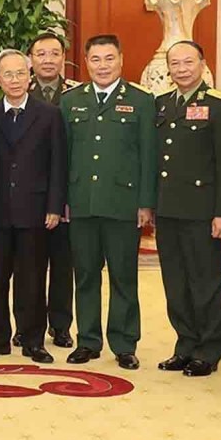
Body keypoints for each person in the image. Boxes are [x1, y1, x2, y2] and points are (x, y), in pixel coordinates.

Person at [60, 34, 156, 370]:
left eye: (109, 58)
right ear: (87, 63)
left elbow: (148, 154)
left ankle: (124, 343)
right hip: (81, 202)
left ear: (121, 59)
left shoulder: (141, 100)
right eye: (96, 59)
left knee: (123, 276)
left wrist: (145, 203)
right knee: (85, 275)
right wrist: (62, 200)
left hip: (122, 203)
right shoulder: (71, 101)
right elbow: (63, 157)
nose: (103, 65)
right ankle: (88, 340)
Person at [0, 49, 65, 364]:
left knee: (32, 279)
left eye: (20, 74)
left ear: (30, 77)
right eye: (7, 74)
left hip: (36, 210)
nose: (14, 80)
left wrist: (55, 206)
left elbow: (58, 164)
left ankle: (33, 340)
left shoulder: (49, 114)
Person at [154, 40, 221, 378]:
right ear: (168, 69)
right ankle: (185, 344)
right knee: (176, 282)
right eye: (175, 63)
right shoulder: (161, 104)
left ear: (202, 64)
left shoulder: (219, 105)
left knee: (206, 281)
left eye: (189, 62)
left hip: (203, 211)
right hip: (168, 209)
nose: (182, 69)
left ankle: (209, 348)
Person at [25, 32, 77, 348]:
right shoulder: (16, 91)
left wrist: (66, 197)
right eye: (41, 54)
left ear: (63, 58)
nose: (47, 59)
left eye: (54, 53)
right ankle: (27, 325)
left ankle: (60, 325)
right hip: (27, 197)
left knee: (62, 265)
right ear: (31, 59)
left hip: (65, 196)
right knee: (28, 266)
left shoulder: (75, 96)